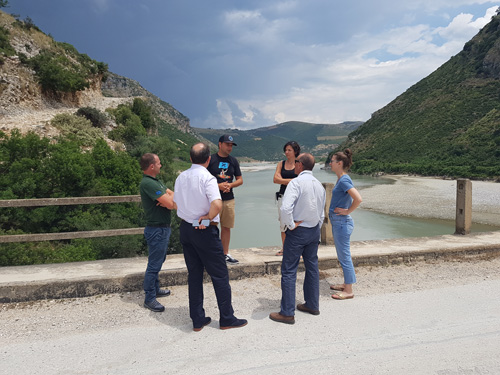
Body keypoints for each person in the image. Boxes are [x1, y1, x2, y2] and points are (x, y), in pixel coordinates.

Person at [174, 143, 248, 331]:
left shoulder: (181, 177)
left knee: (195, 275)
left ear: (190, 158)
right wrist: (206, 217)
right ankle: (226, 318)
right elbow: (217, 204)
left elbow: (176, 203)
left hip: (185, 229)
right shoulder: (207, 178)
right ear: (208, 160)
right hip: (205, 230)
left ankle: (197, 319)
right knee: (220, 275)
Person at [269, 153, 326, 325]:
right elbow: (322, 212)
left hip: (298, 232)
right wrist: (316, 225)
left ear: (300, 165)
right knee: (312, 268)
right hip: (314, 230)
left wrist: (291, 226)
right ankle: (312, 304)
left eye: (295, 163)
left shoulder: (296, 183)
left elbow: (286, 208)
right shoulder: (319, 185)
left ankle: (287, 312)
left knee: (289, 270)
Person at [139, 153, 175, 312]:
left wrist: (168, 199)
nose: (161, 165)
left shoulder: (155, 182)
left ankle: (155, 289)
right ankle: (149, 298)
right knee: (154, 264)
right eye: (159, 163)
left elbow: (173, 196)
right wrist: (168, 200)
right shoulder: (149, 183)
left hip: (161, 227)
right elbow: (171, 203)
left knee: (159, 260)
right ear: (152, 166)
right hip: (157, 229)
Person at [328, 148, 363, 300]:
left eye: (332, 161)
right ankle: (346, 283)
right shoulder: (341, 179)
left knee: (344, 256)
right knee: (342, 255)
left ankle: (348, 290)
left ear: (339, 163)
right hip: (339, 222)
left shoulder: (344, 179)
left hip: (342, 222)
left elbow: (358, 199)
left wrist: (347, 211)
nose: (330, 163)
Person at [207, 134, 243, 264]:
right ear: (220, 144)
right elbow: (203, 180)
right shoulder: (210, 159)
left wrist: (230, 185)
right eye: (227, 144)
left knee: (226, 227)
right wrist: (218, 186)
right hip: (212, 200)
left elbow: (240, 180)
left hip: (229, 199)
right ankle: (211, 253)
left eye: (231, 145)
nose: (230, 147)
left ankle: (225, 253)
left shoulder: (233, 161)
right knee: (211, 226)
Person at [273, 141, 301, 256]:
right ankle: (285, 248)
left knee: (296, 222)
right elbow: (275, 179)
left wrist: (283, 180)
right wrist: (292, 181)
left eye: (289, 150)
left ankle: (297, 249)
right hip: (282, 196)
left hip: (296, 198)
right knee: (283, 223)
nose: (286, 152)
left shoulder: (300, 164)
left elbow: (301, 182)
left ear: (295, 151)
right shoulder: (281, 163)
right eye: (286, 150)